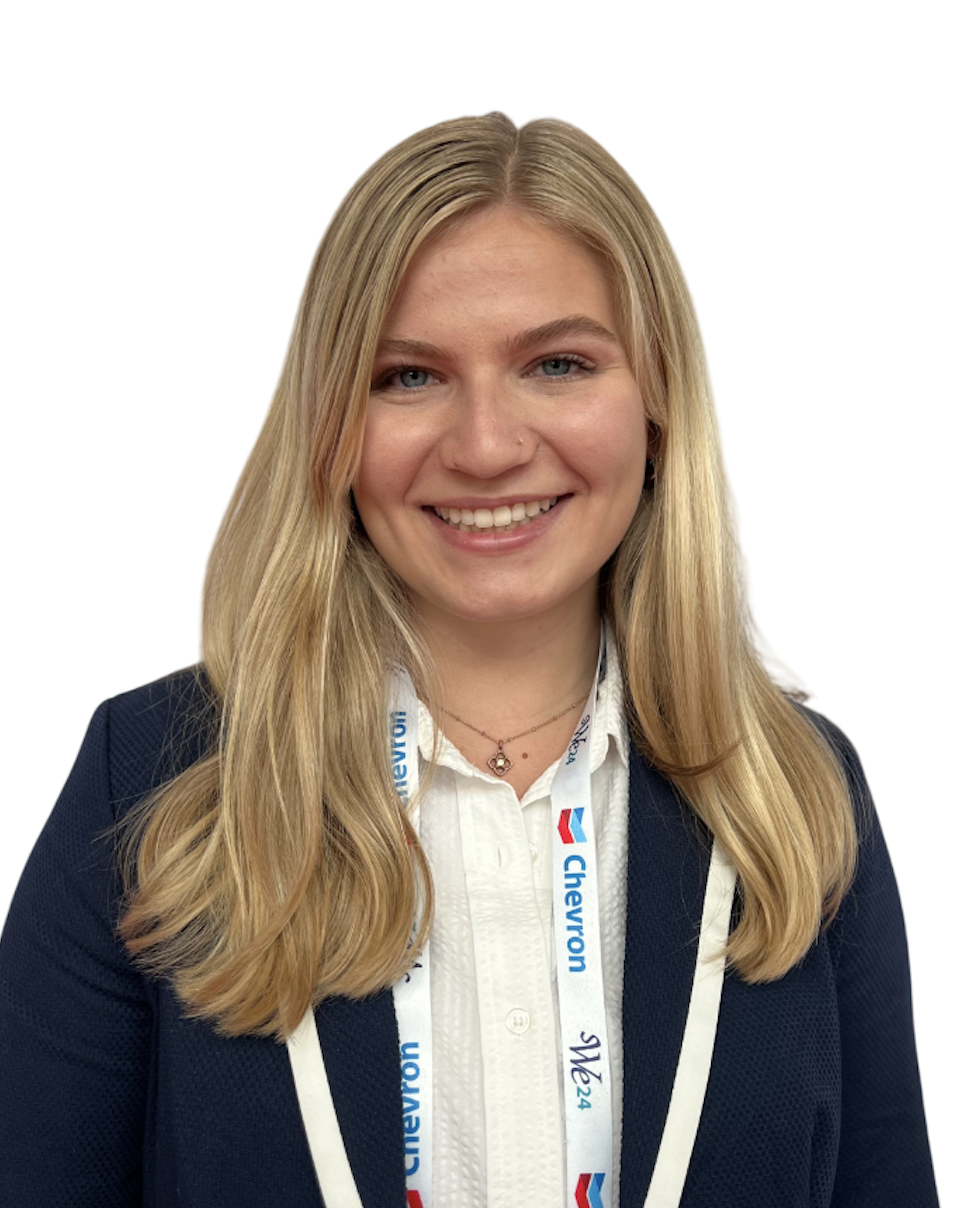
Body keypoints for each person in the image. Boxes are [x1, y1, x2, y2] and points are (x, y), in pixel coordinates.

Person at [0, 112, 939, 1208]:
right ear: (331, 426)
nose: (487, 446)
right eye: (408, 377)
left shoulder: (796, 794)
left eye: (558, 363)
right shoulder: (157, 780)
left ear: (656, 402)